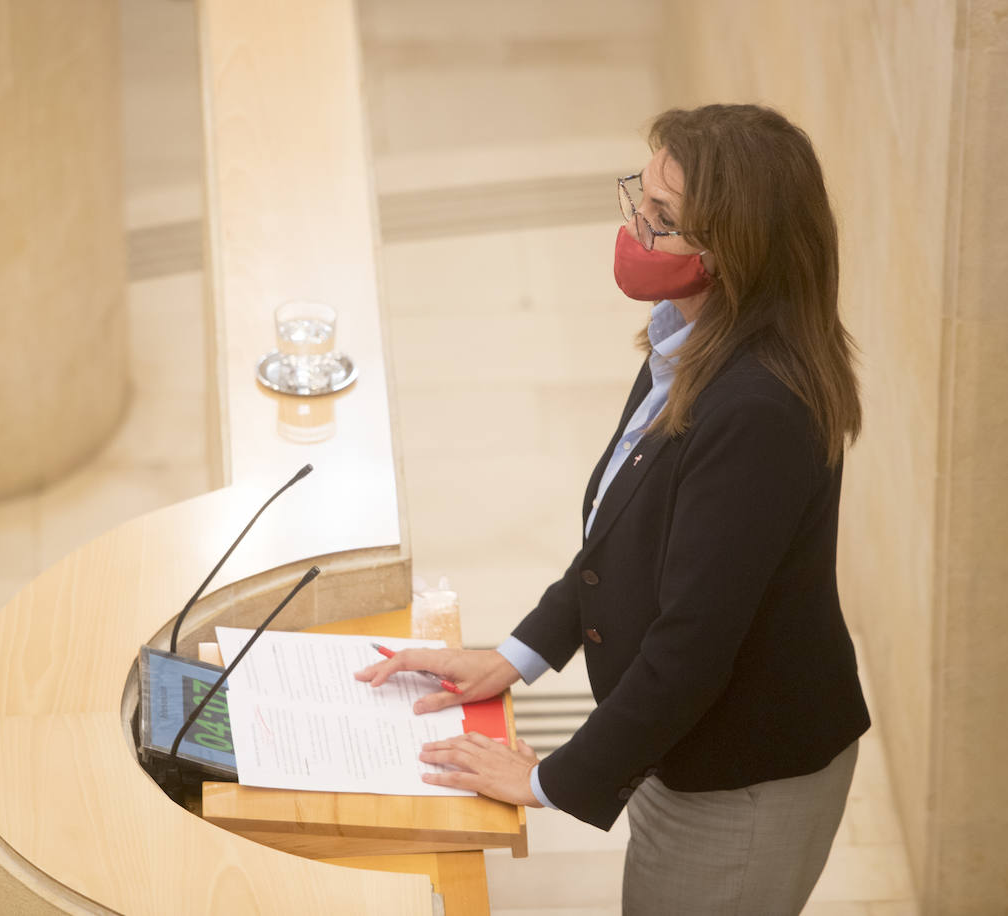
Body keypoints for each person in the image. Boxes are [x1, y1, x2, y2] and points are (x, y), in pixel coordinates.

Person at [356, 104, 871, 915]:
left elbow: (694, 645)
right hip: (684, 750)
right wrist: (514, 657)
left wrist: (545, 779)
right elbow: (621, 535)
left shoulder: (759, 410)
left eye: (661, 221)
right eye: (641, 197)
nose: (635, 229)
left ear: (730, 255)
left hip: (744, 782)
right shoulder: (688, 339)